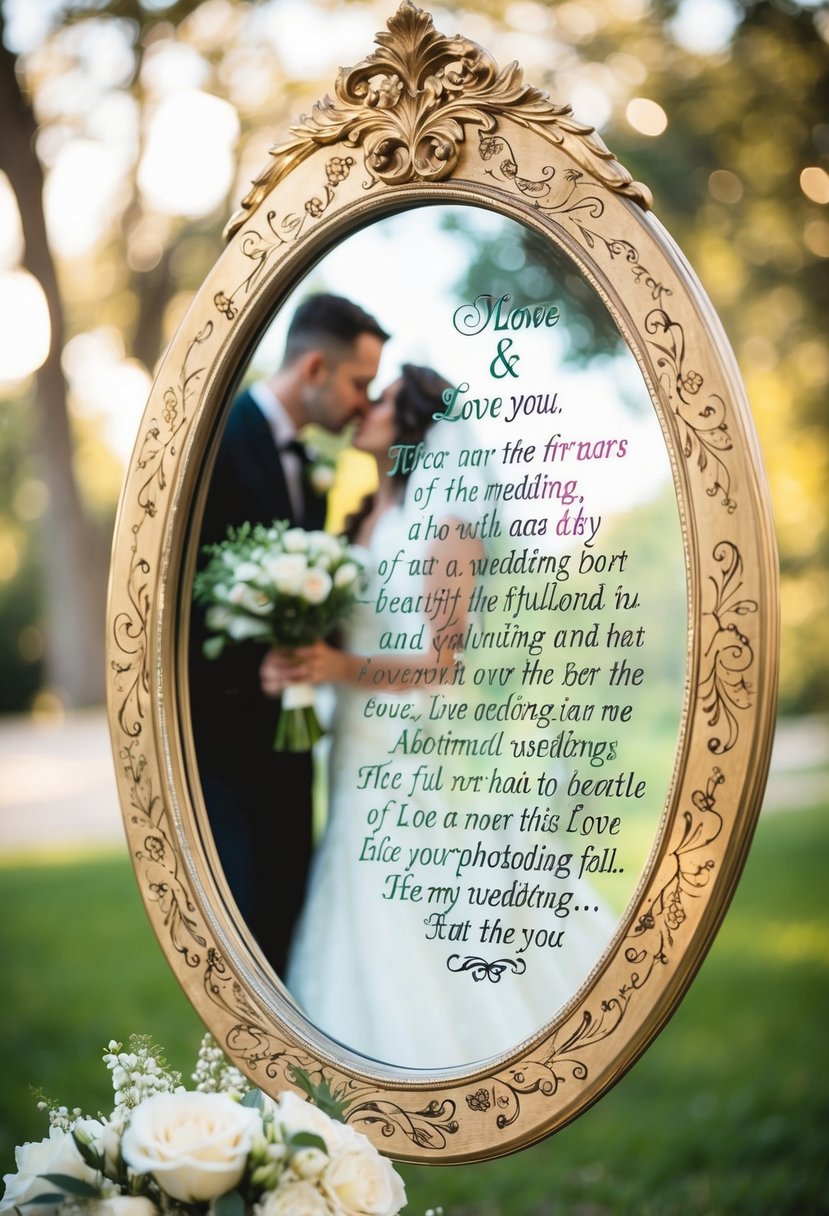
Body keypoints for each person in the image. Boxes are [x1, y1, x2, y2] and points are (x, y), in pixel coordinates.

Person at [261, 366, 617, 1069]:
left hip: (407, 742)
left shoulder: (448, 522)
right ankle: (348, 1049)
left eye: (383, 399)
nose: (365, 407)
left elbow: (439, 663)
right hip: (352, 740)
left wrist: (337, 671)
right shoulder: (365, 512)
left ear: (415, 423)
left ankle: (435, 1046)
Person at [189, 293, 389, 976]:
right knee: (244, 953)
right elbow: (172, 601)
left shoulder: (313, 465)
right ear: (313, 368)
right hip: (229, 758)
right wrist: (253, 671)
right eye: (359, 384)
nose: (366, 404)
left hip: (292, 762)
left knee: (287, 941)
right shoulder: (213, 439)